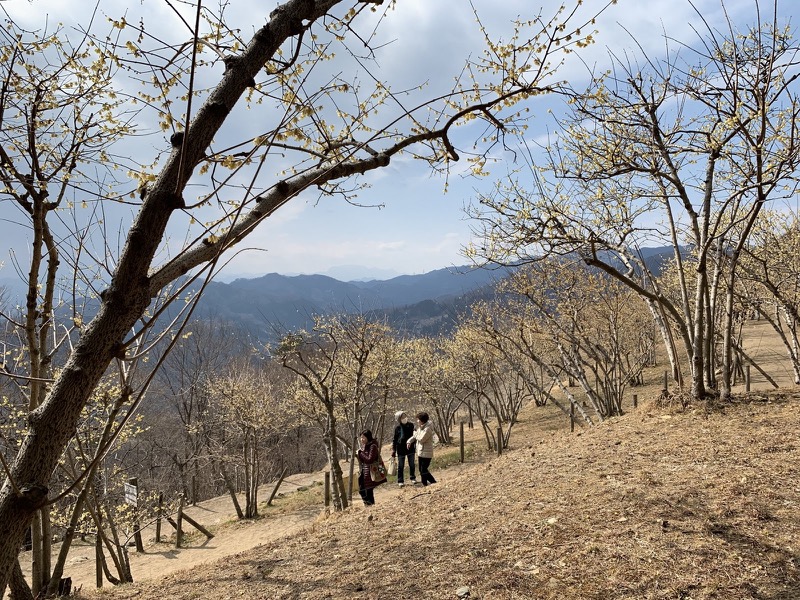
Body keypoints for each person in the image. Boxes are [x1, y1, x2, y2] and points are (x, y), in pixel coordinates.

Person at [356, 429, 386, 505]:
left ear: (368, 437)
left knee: (368, 491)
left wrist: (360, 453)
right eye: (361, 437)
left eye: (363, 437)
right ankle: (369, 505)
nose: (361, 439)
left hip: (371, 472)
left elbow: (369, 460)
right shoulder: (366, 446)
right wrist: (360, 454)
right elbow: (364, 460)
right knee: (363, 490)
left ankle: (370, 506)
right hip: (365, 471)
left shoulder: (373, 446)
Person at [408, 412, 437, 486]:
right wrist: (409, 442)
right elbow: (415, 436)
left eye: (418, 419)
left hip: (427, 453)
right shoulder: (421, 427)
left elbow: (421, 439)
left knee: (423, 470)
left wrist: (415, 433)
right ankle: (424, 484)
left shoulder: (428, 428)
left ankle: (433, 482)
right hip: (421, 452)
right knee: (421, 470)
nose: (417, 421)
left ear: (422, 420)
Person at [391, 410, 417, 487]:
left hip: (410, 448)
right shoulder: (397, 428)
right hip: (400, 449)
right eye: (402, 417)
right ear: (399, 419)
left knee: (412, 464)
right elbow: (395, 440)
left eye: (405, 416)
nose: (405, 418)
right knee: (401, 466)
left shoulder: (411, 425)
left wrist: (414, 444)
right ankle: (400, 480)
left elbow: (414, 436)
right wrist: (393, 450)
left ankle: (413, 477)